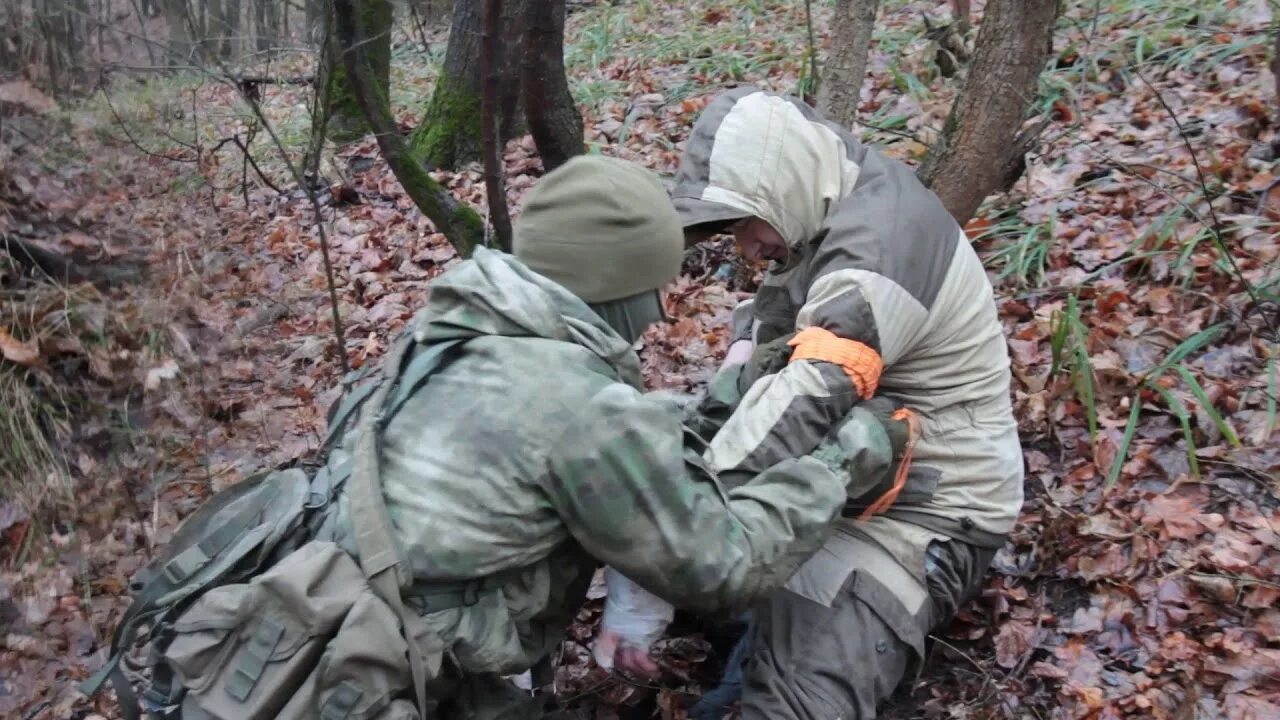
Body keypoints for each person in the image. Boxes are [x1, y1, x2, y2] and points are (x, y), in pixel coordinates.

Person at [321, 153, 912, 719]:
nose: (660, 311)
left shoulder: (434, 343)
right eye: (654, 285)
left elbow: (595, 444)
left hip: (335, 636)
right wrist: (841, 460)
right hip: (411, 686)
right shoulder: (579, 409)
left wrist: (738, 385)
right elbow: (722, 566)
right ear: (613, 285)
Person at [598, 87, 1024, 719]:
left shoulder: (880, 247)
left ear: (781, 185)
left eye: (745, 223)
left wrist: (677, 531)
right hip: (839, 475)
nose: (746, 248)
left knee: (793, 703)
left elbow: (809, 395)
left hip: (921, 516)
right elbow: (764, 357)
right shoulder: (822, 217)